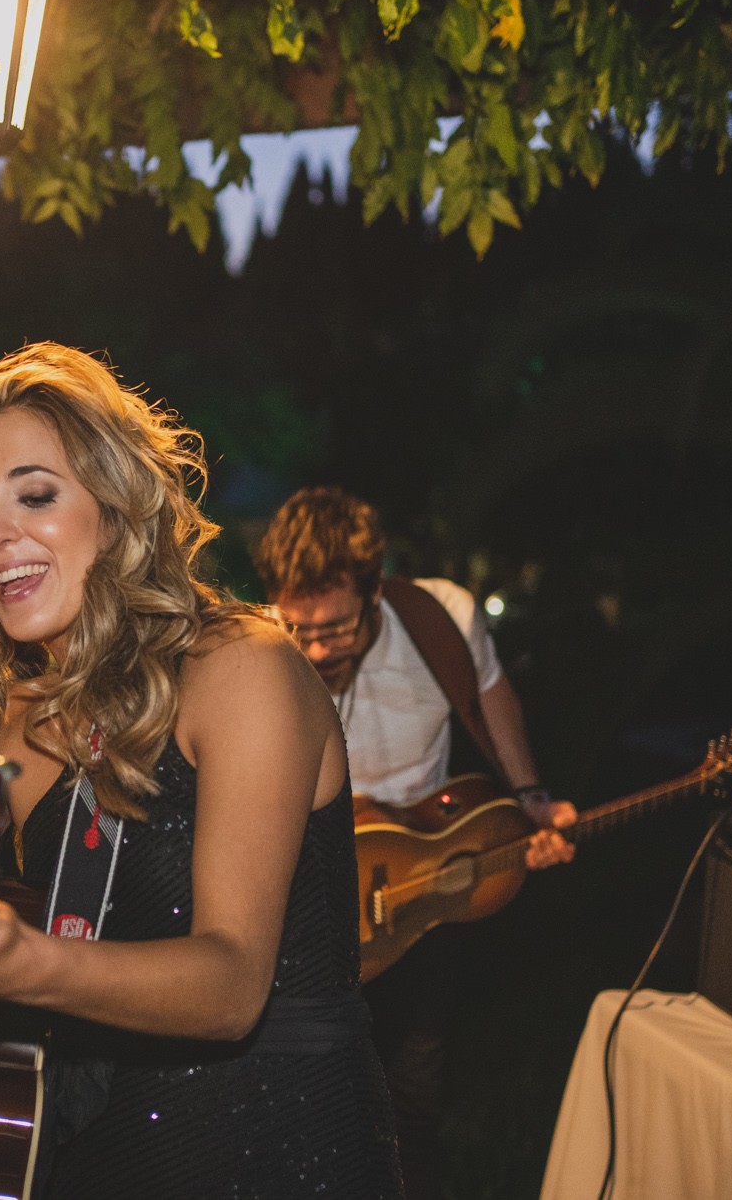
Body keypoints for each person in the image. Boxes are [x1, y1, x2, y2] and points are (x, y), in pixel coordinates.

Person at [0, 345, 402, 1198]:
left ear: (115, 503)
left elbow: (232, 982)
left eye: (35, 494)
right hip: (88, 1156)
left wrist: (31, 965)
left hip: (277, 1145)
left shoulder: (244, 669)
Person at [254, 486, 576, 1200]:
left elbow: (493, 695)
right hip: (310, 902)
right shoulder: (261, 643)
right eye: (298, 626)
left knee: (412, 1095)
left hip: (426, 885)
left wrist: (530, 801)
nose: (315, 647)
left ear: (375, 590)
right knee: (301, 1093)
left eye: (334, 628)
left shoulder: (440, 618)